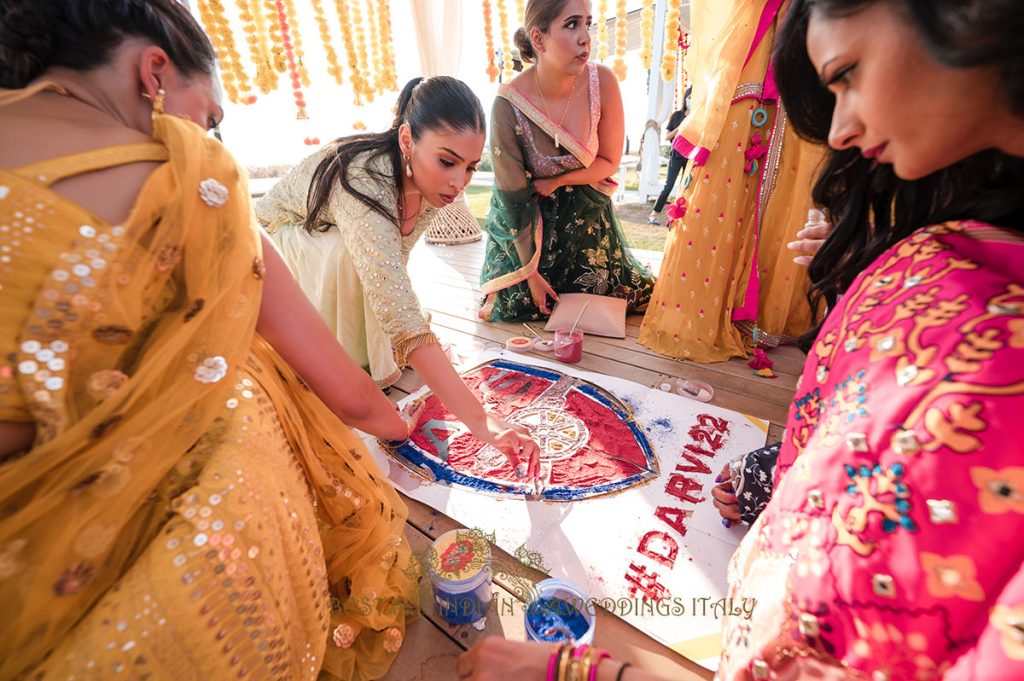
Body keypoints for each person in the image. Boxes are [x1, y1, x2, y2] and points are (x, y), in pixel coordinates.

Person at [458, 0, 1024, 677]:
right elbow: (862, 442)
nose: (841, 129)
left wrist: (580, 670)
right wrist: (779, 475)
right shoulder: (953, 232)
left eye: (846, 74)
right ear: (537, 38)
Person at [0, 2, 465, 678]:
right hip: (170, 596)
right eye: (211, 116)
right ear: (153, 72)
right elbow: (355, 380)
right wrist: (402, 421)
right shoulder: (187, 173)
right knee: (244, 393)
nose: (210, 135)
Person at [255, 77, 540, 467]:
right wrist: (482, 423)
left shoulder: (429, 183)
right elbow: (392, 296)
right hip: (273, 251)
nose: (459, 182)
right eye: (447, 161)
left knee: (380, 275)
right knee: (352, 258)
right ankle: (333, 365)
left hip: (334, 246)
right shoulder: (363, 181)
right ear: (407, 140)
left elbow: (393, 268)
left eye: (472, 167)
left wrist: (408, 337)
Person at [638, 0, 827, 363]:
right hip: (753, 54)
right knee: (728, 180)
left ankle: (758, 316)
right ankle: (709, 309)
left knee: (788, 186)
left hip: (805, 44)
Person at [478, 0, 655, 321]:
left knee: (622, 297)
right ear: (539, 39)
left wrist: (557, 180)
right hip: (530, 231)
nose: (586, 37)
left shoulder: (602, 83)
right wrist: (529, 273)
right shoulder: (508, 105)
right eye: (572, 24)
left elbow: (608, 162)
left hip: (589, 222)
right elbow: (513, 200)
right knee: (522, 305)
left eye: (588, 23)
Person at [647, 87, 691, 225]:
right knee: (669, 185)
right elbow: (667, 137)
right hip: (677, 155)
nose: (691, 100)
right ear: (685, 98)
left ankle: (679, 217)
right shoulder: (677, 116)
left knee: (687, 187)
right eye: (689, 98)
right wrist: (681, 127)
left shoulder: (697, 117)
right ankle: (653, 215)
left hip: (690, 156)